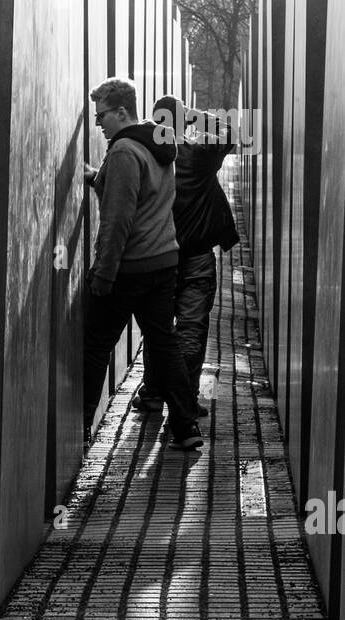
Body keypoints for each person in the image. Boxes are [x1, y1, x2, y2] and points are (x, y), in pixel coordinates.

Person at [83, 78, 202, 452]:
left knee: (97, 345)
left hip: (129, 268)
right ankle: (185, 427)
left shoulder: (122, 151)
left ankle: (79, 431)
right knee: (164, 344)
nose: (99, 123)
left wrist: (104, 274)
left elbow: (118, 219)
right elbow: (142, 193)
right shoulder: (159, 145)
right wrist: (98, 180)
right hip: (164, 262)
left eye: (102, 115)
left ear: (121, 112)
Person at [132, 95, 240, 415]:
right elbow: (230, 133)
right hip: (196, 258)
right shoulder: (198, 155)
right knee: (191, 331)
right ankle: (184, 403)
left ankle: (153, 393)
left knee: (159, 330)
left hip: (158, 256)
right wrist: (193, 117)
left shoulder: (146, 159)